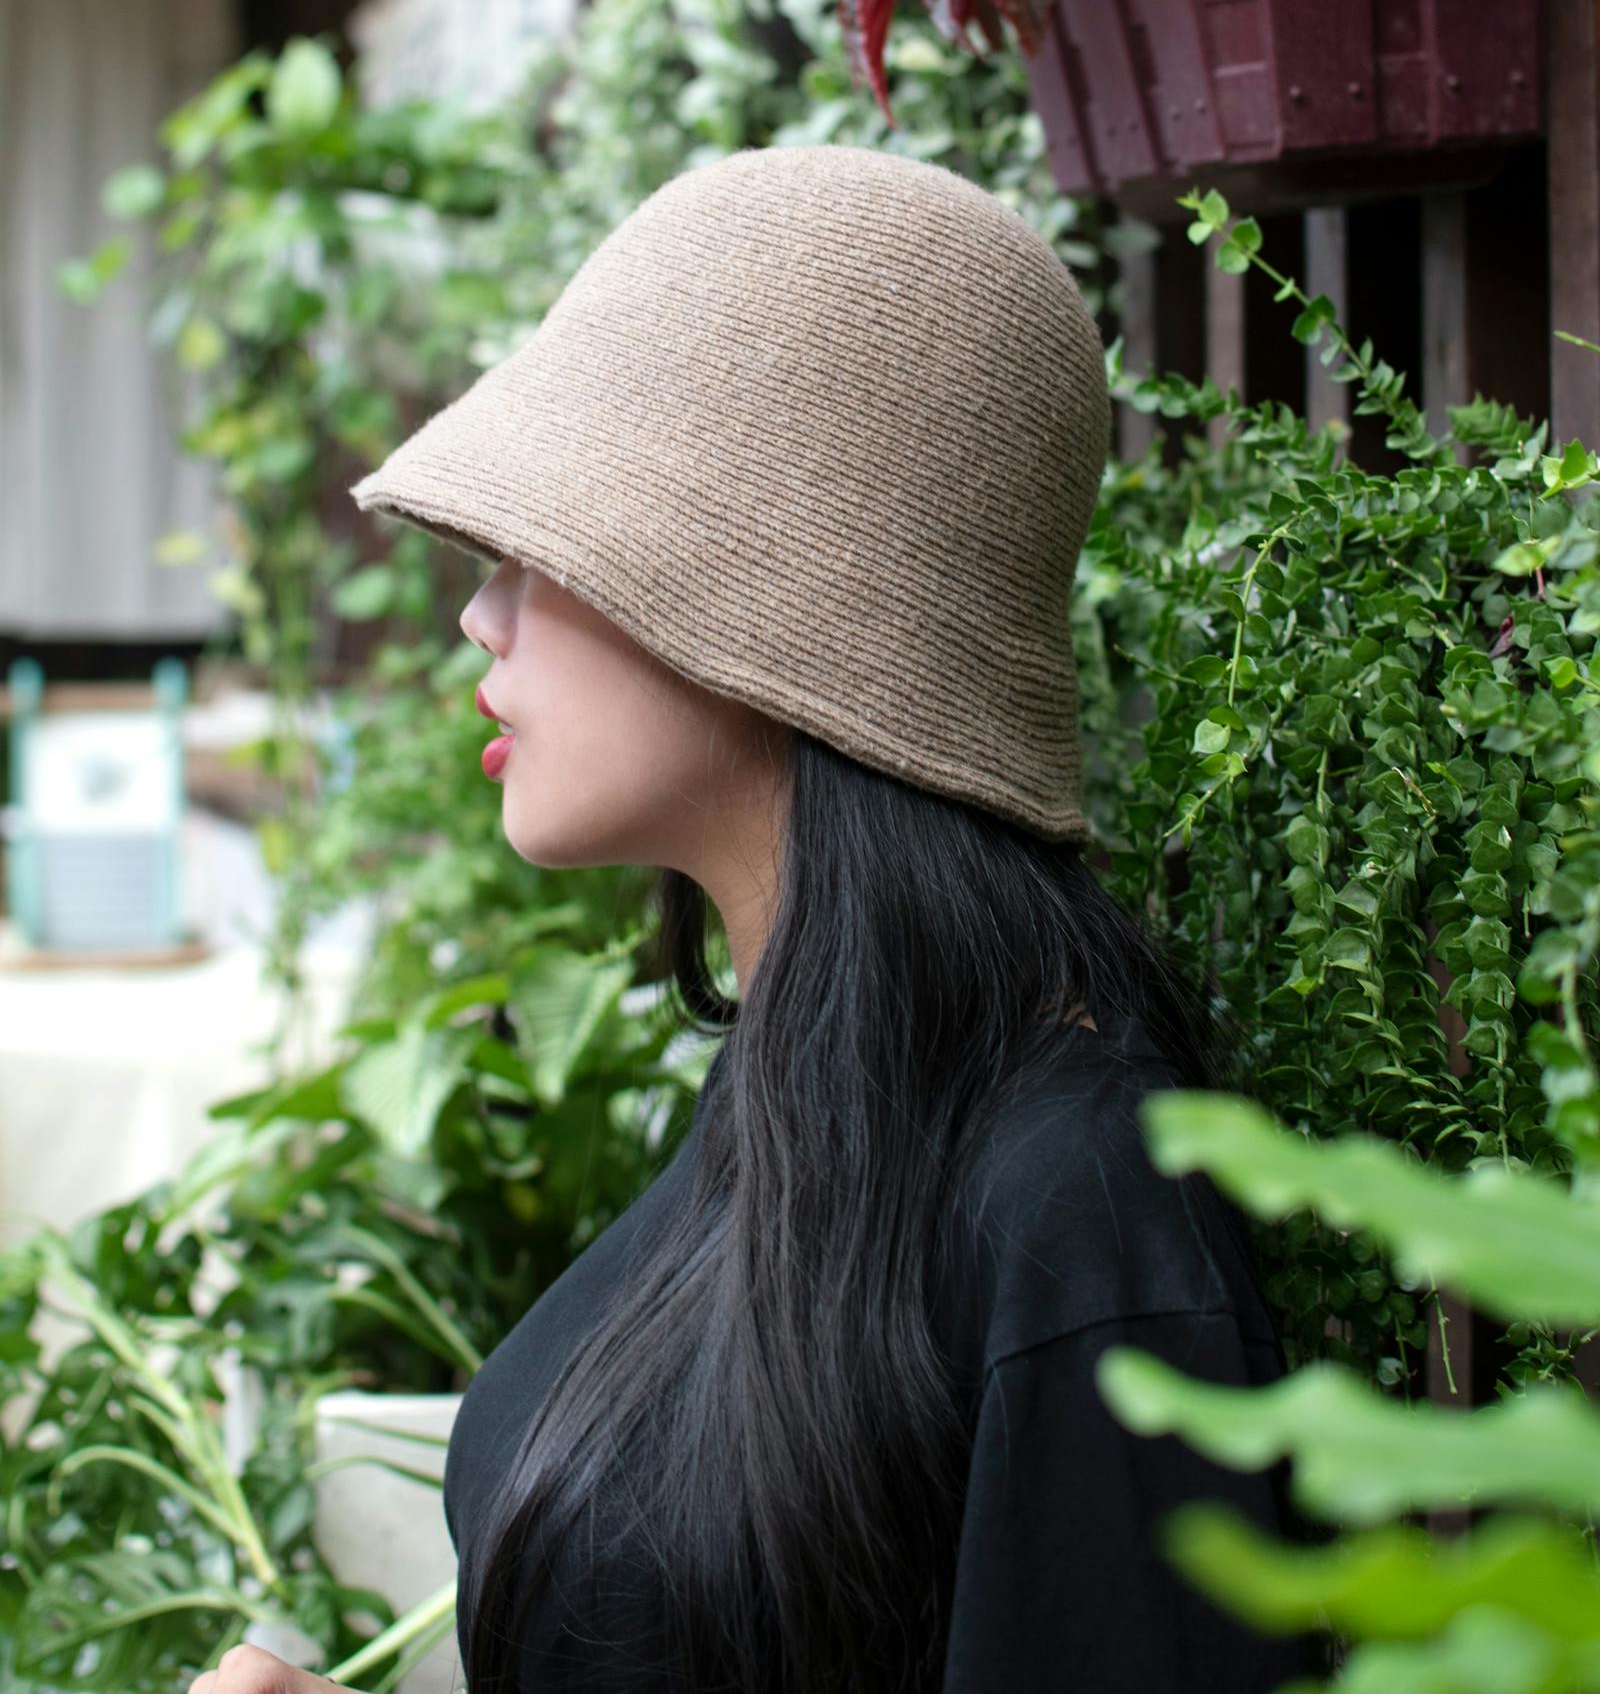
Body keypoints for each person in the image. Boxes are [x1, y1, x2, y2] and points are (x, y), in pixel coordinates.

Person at [191, 142, 1320, 1694]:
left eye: (540, 545)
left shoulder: (1073, 1216)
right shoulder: (817, 1091)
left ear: (781, 601)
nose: (480, 614)